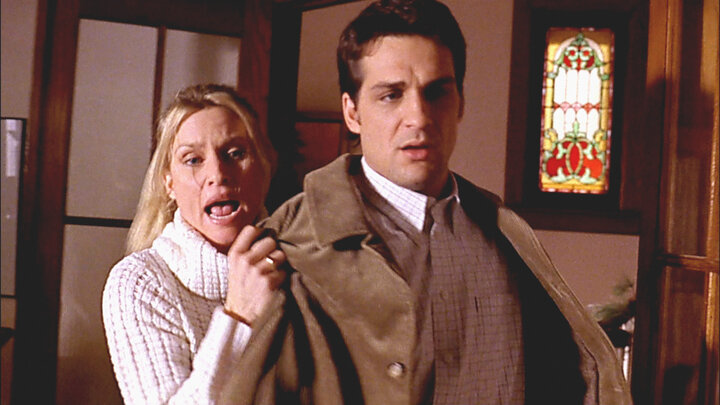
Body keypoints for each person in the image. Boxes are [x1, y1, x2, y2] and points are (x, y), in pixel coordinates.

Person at [221, 0, 632, 404]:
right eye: (391, 95)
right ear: (352, 113)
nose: (418, 117)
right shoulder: (290, 247)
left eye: (437, 92)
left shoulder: (506, 237)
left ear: (460, 103)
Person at [102, 84, 287, 404]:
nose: (217, 174)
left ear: (263, 166)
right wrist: (239, 316)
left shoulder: (298, 263)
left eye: (235, 154)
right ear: (169, 183)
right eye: (193, 160)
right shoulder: (139, 282)